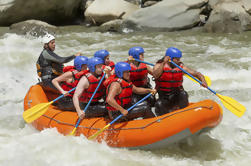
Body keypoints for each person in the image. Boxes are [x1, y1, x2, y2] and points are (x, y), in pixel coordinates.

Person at [153, 47, 208, 116]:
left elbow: (197, 73)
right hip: (164, 97)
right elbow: (155, 75)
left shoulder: (181, 67)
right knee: (159, 104)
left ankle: (185, 115)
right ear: (170, 58)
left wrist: (203, 81)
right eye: (177, 59)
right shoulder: (159, 65)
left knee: (184, 94)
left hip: (177, 95)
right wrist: (164, 62)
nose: (179, 61)